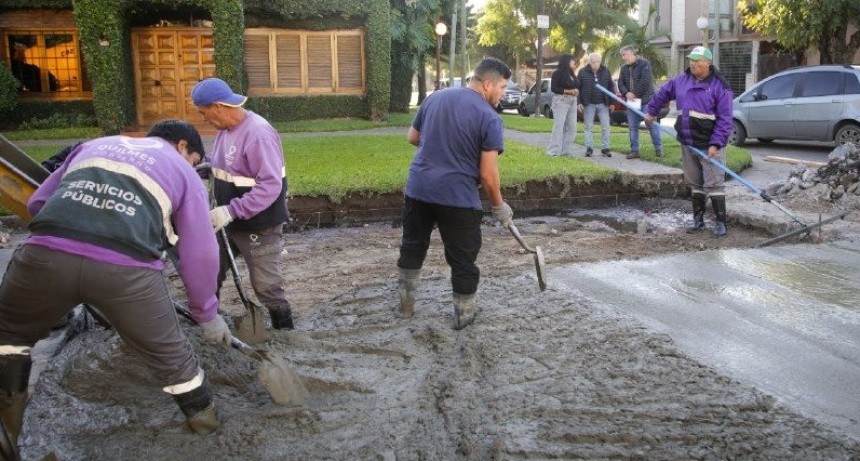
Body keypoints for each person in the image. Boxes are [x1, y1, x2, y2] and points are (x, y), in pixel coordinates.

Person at [0, 120, 230, 459]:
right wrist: (207, 314)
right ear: (184, 148)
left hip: (42, 257)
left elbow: (37, 203)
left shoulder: (93, 146)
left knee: (9, 338)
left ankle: (9, 439)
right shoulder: (183, 171)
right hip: (126, 273)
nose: (194, 166)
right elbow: (199, 253)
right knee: (174, 359)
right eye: (196, 160)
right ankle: (211, 434)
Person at [397, 57, 514, 330]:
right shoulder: (489, 117)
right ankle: (464, 317)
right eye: (503, 87)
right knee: (463, 260)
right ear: (487, 84)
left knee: (413, 246)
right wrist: (499, 206)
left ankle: (405, 307)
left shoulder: (435, 97)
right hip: (457, 198)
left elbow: (413, 138)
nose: (504, 94)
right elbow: (488, 174)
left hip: (418, 189)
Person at [191, 78, 294, 330]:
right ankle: (205, 323)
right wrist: (201, 168)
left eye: (204, 113)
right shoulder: (226, 130)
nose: (204, 119)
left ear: (217, 106)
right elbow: (226, 167)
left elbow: (270, 185)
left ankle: (285, 332)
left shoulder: (258, 134)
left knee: (266, 286)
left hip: (258, 225)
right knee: (208, 270)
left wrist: (231, 210)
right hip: (229, 222)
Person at [644, 46, 734, 237]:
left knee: (714, 183)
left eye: (697, 60)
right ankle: (698, 221)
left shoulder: (720, 86)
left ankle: (721, 223)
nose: (692, 63)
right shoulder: (680, 81)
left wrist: (716, 144)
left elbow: (725, 120)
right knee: (695, 183)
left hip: (710, 144)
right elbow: (662, 94)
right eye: (691, 60)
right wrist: (652, 111)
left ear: (708, 63)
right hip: (688, 141)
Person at [618, 45, 663, 159]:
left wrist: (634, 93)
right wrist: (626, 93)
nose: (624, 58)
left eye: (625, 55)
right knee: (633, 127)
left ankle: (658, 149)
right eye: (622, 55)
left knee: (651, 125)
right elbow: (621, 83)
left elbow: (646, 81)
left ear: (633, 54)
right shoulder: (623, 68)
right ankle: (634, 151)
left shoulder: (644, 64)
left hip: (646, 100)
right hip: (632, 101)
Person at [577, 52, 614, 158]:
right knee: (588, 127)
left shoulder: (606, 71)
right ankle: (589, 148)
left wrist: (611, 103)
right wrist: (579, 102)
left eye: (597, 62)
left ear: (600, 62)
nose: (595, 64)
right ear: (589, 62)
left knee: (606, 127)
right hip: (588, 104)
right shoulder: (582, 72)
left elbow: (611, 87)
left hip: (603, 104)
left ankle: (605, 148)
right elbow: (578, 88)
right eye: (593, 62)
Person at [547, 54, 580, 157]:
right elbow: (554, 88)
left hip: (572, 101)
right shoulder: (557, 73)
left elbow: (576, 86)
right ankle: (553, 151)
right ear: (566, 61)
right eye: (572, 60)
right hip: (561, 101)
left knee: (572, 127)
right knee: (559, 126)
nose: (574, 62)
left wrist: (576, 91)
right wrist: (569, 91)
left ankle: (565, 151)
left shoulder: (572, 74)